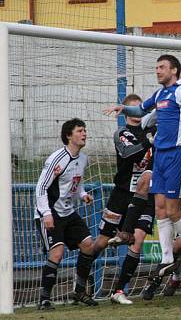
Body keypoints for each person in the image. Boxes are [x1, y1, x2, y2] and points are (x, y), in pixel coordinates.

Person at [104, 55, 181, 284]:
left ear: (174, 70)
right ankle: (167, 258)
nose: (158, 71)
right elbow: (140, 110)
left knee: (172, 209)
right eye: (156, 67)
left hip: (178, 155)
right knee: (160, 209)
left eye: (162, 67)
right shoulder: (160, 94)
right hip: (159, 156)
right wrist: (123, 108)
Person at [90, 94, 157, 305]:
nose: (138, 112)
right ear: (127, 111)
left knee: (137, 240)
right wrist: (148, 141)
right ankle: (82, 279)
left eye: (140, 108)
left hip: (146, 194)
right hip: (122, 194)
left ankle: (119, 290)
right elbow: (130, 154)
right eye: (133, 108)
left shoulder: (151, 129)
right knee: (101, 242)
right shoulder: (122, 133)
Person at [34, 118, 97, 310]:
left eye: (85, 130)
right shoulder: (56, 159)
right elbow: (41, 188)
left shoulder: (83, 158)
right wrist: (46, 213)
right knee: (57, 252)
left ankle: (79, 292)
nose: (84, 133)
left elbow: (76, 184)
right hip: (50, 212)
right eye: (79, 131)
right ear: (69, 136)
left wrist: (83, 195)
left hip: (68, 211)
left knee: (88, 245)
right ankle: (44, 299)